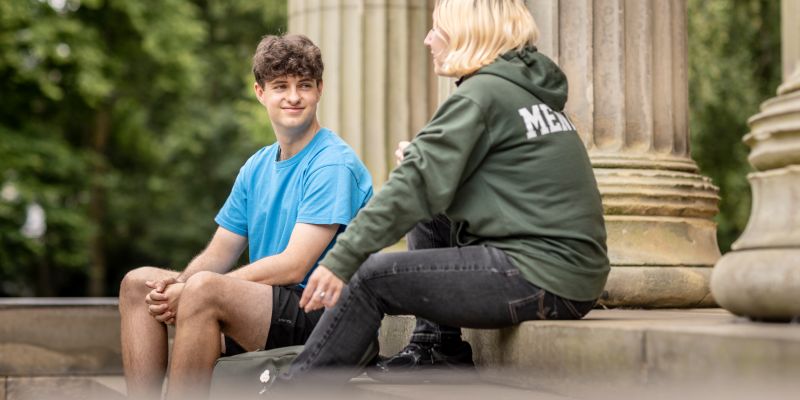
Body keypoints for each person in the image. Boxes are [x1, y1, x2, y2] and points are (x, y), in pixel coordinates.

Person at [281, 0, 610, 384]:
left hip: (542, 277)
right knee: (430, 204)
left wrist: (341, 259)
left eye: (437, 29)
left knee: (369, 278)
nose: (427, 39)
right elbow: (475, 181)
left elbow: (413, 186)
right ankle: (437, 346)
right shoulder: (524, 90)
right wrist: (424, 160)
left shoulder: (482, 94)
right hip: (573, 275)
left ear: (465, 34)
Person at [117, 34, 373, 399]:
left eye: (304, 85)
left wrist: (192, 290)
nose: (293, 97)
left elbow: (295, 265)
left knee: (204, 290)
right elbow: (218, 254)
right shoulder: (256, 166)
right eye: (280, 86)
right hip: (268, 307)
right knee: (138, 284)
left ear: (320, 89)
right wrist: (177, 285)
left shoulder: (332, 163)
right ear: (260, 92)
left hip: (323, 314)